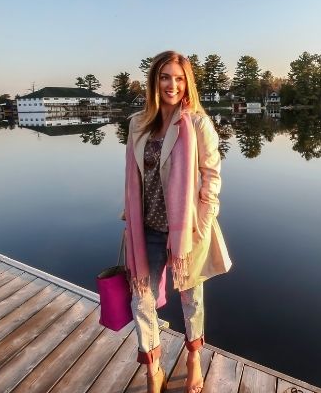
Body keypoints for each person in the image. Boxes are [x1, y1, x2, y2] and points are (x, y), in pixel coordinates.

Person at [123, 50, 232, 393]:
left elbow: (212, 177)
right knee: (140, 299)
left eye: (179, 78)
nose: (172, 84)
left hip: (187, 231)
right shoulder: (138, 124)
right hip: (148, 228)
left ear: (187, 84)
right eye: (165, 77)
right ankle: (153, 369)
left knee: (191, 299)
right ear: (155, 81)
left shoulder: (198, 123)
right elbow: (132, 178)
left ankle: (193, 358)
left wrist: (202, 220)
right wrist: (129, 215)